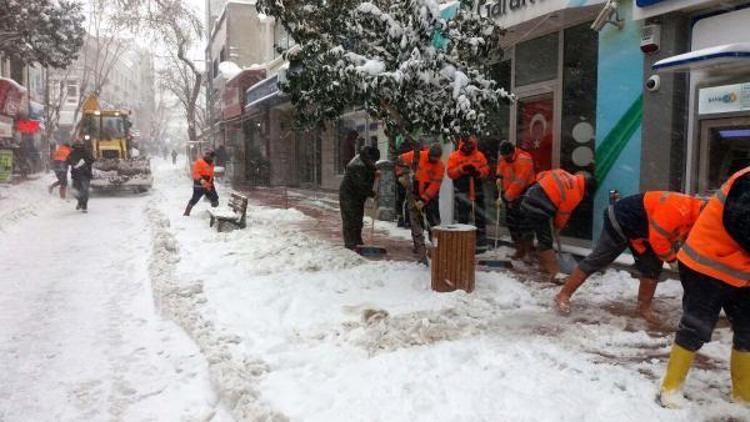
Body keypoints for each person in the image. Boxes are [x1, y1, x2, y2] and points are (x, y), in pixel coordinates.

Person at [658, 167, 750, 408]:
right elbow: (741, 222)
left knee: (748, 329)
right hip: (706, 265)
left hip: (739, 272)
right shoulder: (748, 180)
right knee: (696, 326)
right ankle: (670, 388)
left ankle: (744, 395)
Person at [554, 191, 706, 323]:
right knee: (599, 259)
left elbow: (684, 236)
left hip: (642, 231)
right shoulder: (678, 210)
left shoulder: (696, 214)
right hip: (620, 220)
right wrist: (673, 260)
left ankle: (643, 308)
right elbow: (658, 239)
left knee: (652, 268)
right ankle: (563, 295)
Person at [520, 169, 596, 282]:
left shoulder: (562, 172)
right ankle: (554, 273)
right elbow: (563, 214)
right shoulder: (575, 194)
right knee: (546, 241)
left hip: (528, 198)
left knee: (536, 233)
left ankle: (541, 264)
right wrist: (557, 227)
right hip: (538, 207)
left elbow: (540, 175)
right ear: (587, 189)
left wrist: (547, 192)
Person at [397, 143, 444, 262]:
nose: (434, 160)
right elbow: (399, 160)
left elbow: (435, 185)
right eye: (432, 157)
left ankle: (436, 246)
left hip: (430, 196)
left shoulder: (440, 166)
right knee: (416, 221)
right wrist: (401, 175)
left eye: (436, 158)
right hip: (414, 192)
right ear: (429, 154)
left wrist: (424, 200)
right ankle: (419, 246)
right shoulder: (417, 156)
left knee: (433, 221)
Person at [447, 135, 490, 251]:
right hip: (462, 189)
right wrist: (462, 169)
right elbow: (450, 172)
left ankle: (481, 243)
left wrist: (478, 172)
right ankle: (462, 242)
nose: (468, 146)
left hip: (477, 189)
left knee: (480, 216)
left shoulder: (479, 156)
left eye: (470, 144)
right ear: (462, 144)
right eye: (466, 144)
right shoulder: (454, 156)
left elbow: (486, 169)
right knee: (463, 217)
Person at [495, 141, 535, 259]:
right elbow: (500, 167)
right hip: (509, 193)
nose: (505, 158)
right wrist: (498, 177)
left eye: (507, 156)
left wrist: (507, 197)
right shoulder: (503, 158)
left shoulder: (523, 160)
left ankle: (529, 251)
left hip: (525, 192)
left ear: (513, 152)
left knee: (525, 223)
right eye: (503, 156)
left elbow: (520, 182)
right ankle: (519, 248)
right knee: (512, 222)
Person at [339, 146, 380, 251]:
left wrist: (375, 172)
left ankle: (357, 241)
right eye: (373, 161)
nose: (373, 163)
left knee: (358, 218)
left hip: (357, 196)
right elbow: (361, 186)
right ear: (368, 157)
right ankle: (350, 244)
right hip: (348, 195)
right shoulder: (356, 166)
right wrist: (372, 193)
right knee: (350, 219)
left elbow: (370, 169)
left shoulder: (364, 160)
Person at [184, 150, 219, 216]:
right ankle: (186, 213)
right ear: (208, 156)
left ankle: (214, 215)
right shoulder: (200, 162)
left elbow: (210, 175)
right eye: (212, 157)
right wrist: (201, 180)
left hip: (208, 185)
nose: (213, 159)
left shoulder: (211, 164)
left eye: (213, 157)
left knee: (215, 199)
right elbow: (195, 173)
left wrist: (211, 182)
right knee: (194, 199)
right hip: (199, 186)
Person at [66, 141, 94, 212]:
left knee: (84, 190)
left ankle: (84, 205)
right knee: (76, 190)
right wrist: (73, 163)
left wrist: (84, 163)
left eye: (79, 145)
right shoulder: (72, 153)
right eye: (77, 146)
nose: (78, 147)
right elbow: (67, 161)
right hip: (76, 175)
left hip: (85, 174)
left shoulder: (86, 152)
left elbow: (92, 160)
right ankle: (80, 201)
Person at [394, 135, 416, 228]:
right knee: (407, 199)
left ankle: (401, 218)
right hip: (405, 177)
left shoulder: (400, 151)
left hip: (400, 177)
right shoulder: (410, 152)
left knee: (401, 199)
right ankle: (407, 220)